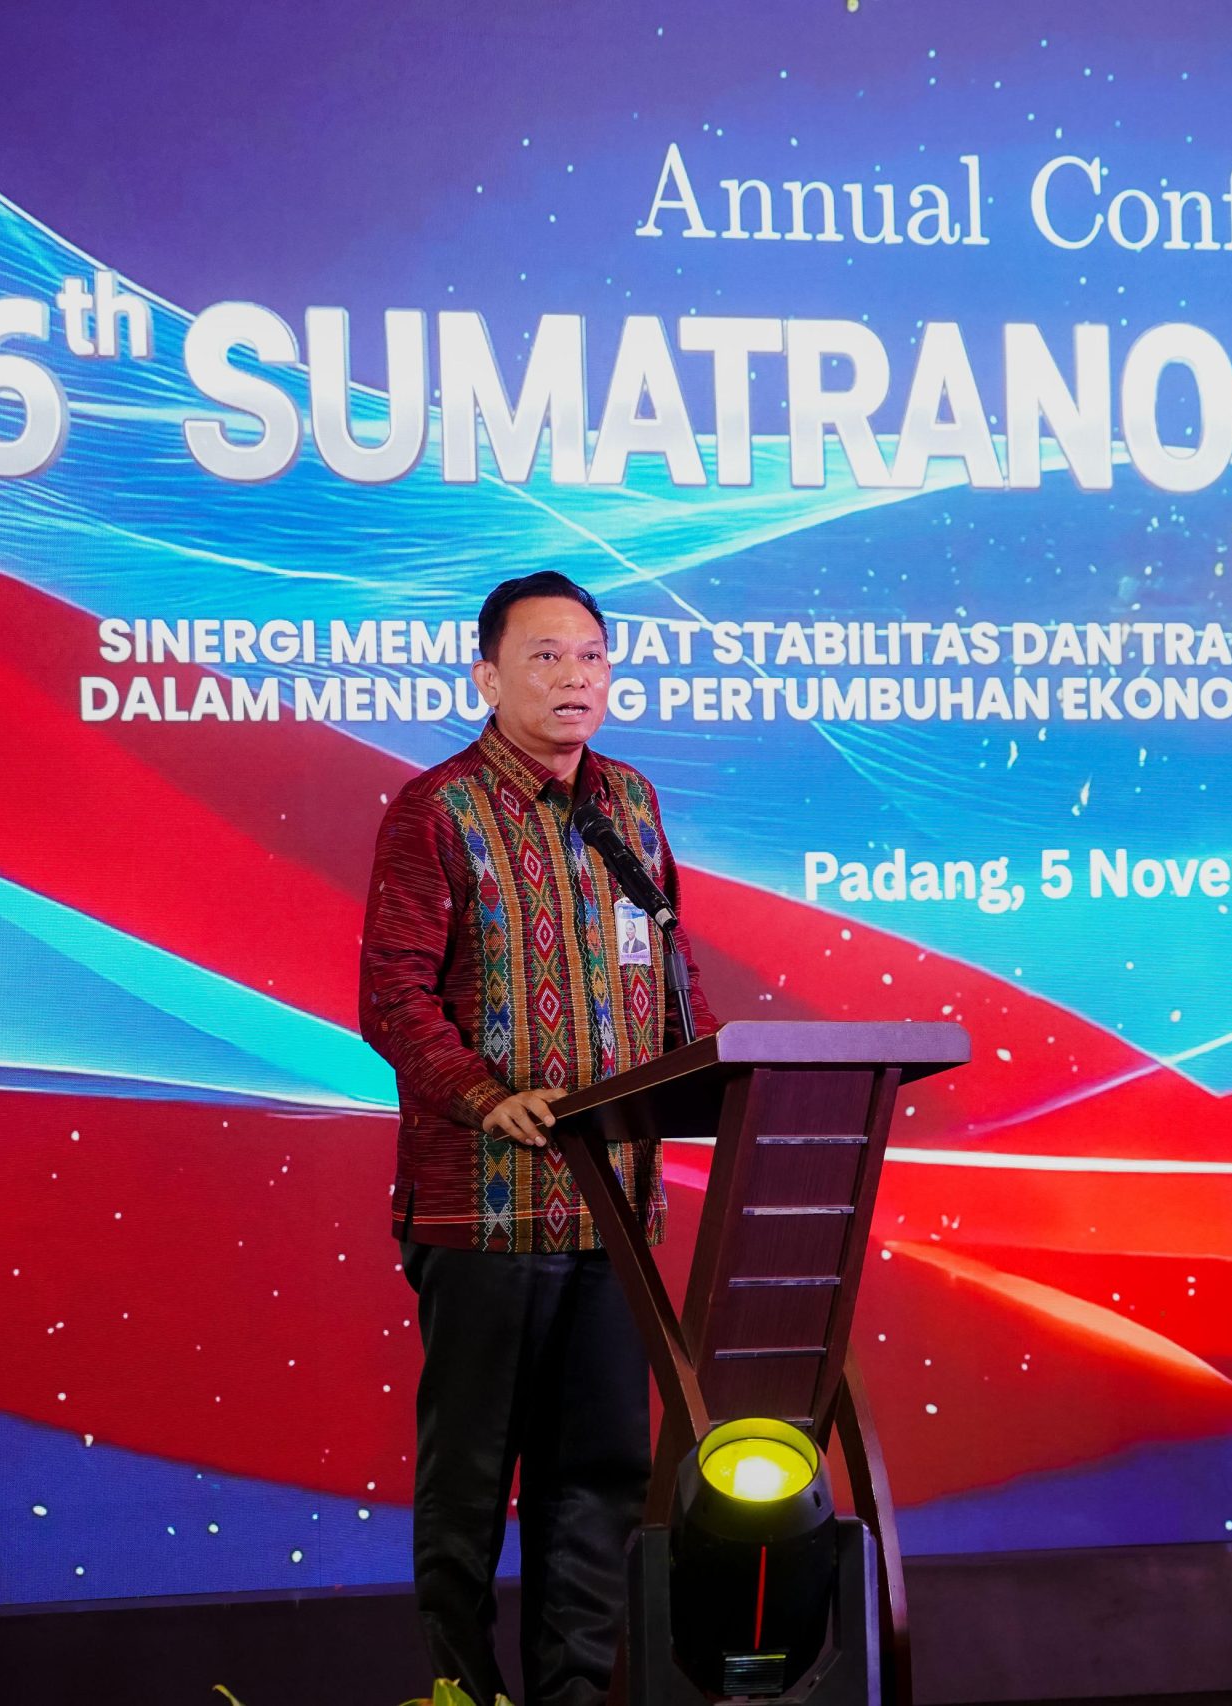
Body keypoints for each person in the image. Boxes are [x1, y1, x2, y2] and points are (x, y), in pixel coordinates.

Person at [358, 570, 717, 1706]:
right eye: (546, 656)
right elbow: (393, 997)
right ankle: (461, 1692)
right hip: (488, 1206)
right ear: (487, 676)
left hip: (613, 1208)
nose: (575, 677)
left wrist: (717, 1067)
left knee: (599, 1482)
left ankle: (573, 1698)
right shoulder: (437, 811)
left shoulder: (631, 803)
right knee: (470, 1486)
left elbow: (671, 970)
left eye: (592, 657)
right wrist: (481, 1094)